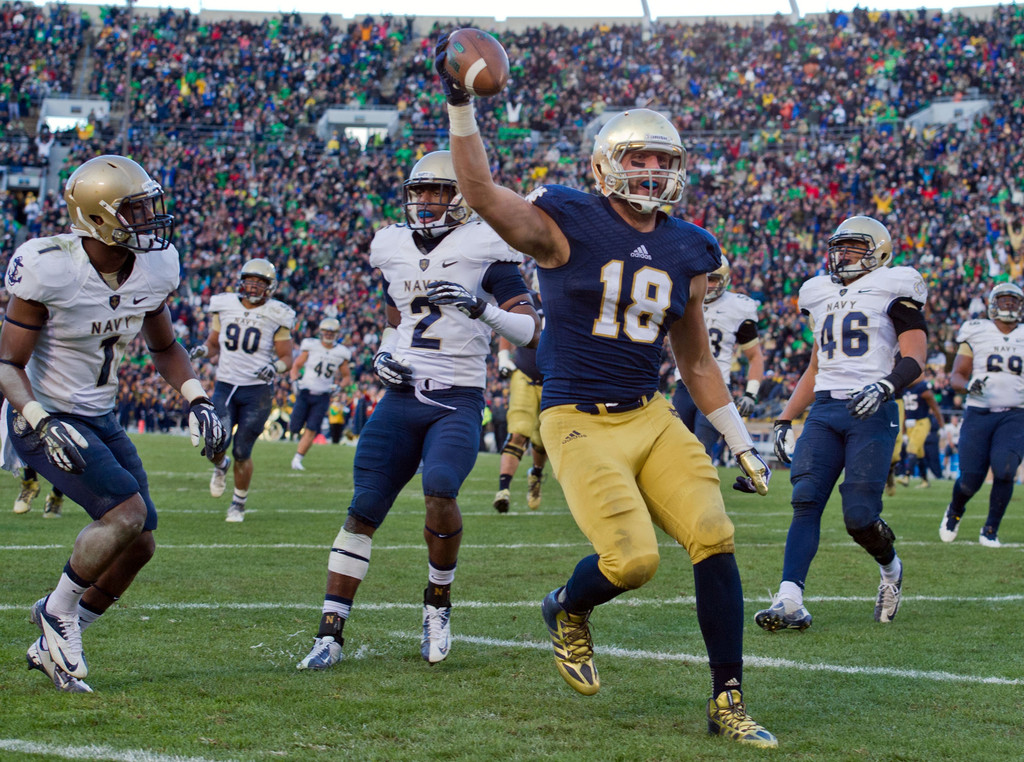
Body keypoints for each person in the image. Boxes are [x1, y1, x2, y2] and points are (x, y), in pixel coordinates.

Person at [435, 48, 776, 748]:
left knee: (714, 534)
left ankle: (728, 698)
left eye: (663, 160)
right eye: (638, 158)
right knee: (633, 562)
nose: (652, 171)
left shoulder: (691, 246)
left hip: (651, 416)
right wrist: (460, 102)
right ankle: (567, 607)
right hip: (577, 419)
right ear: (604, 165)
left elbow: (696, 359)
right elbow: (480, 192)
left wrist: (740, 441)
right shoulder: (567, 218)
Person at [296, 151, 539, 671]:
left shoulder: (486, 244)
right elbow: (396, 319)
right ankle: (329, 633)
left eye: (438, 191)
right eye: (419, 191)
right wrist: (383, 354)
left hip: (456, 398)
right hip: (401, 397)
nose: (426, 201)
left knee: (441, 488)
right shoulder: (391, 245)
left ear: (462, 198)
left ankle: (437, 604)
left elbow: (529, 330)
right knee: (363, 508)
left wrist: (480, 307)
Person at [0, 154, 225, 693]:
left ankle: (57, 635)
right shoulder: (50, 267)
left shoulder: (154, 265)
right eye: (135, 208)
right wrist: (39, 420)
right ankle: (56, 612)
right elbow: (7, 364)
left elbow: (165, 347)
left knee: (140, 543)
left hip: (100, 414)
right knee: (125, 515)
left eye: (148, 205)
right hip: (45, 416)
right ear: (98, 217)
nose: (150, 217)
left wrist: (198, 398)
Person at [761, 215, 928, 632]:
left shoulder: (895, 285)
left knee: (859, 516)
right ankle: (789, 599)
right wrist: (785, 417)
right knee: (805, 499)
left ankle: (891, 569)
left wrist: (886, 386)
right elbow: (816, 367)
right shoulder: (818, 292)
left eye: (855, 247)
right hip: (824, 410)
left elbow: (915, 358)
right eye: (840, 247)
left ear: (879, 251)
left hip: (871, 409)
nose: (844, 255)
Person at [190, 258, 295, 522]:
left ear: (270, 286)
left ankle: (238, 503)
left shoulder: (277, 313)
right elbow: (213, 344)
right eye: (250, 281)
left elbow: (287, 358)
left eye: (260, 282)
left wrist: (274, 367)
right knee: (215, 442)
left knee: (242, 451)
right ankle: (221, 466)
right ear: (241, 282)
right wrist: (203, 350)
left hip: (256, 391)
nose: (254, 287)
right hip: (226, 385)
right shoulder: (224, 306)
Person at [939, 282, 1024, 548]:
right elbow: (957, 375)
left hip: (1015, 414)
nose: (1009, 304)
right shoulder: (977, 330)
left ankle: (990, 529)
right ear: (993, 304)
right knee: (969, 481)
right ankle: (955, 510)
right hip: (979, 412)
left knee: (1005, 469)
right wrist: (967, 387)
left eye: (1014, 301)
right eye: (1004, 300)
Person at [671, 255, 765, 460]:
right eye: (704, 278)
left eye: (713, 279)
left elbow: (755, 356)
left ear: (725, 280)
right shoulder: (681, 298)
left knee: (700, 450)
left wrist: (751, 393)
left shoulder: (738, 306)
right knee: (675, 450)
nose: (708, 284)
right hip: (683, 386)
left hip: (715, 385)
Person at [493, 283, 548, 513]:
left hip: (553, 379)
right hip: (524, 374)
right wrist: (504, 357)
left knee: (543, 440)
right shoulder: (529, 300)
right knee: (518, 431)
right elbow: (509, 326)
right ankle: (503, 490)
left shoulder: (567, 297)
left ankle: (536, 474)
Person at [288, 317, 353, 471]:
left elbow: (347, 377)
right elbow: (296, 365)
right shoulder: (311, 345)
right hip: (305, 391)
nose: (329, 334)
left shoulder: (341, 352)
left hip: (323, 395)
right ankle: (296, 442)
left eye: (332, 332)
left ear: (336, 334)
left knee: (312, 428)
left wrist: (339, 387)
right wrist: (294, 381)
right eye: (326, 331)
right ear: (321, 332)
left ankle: (297, 459)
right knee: (294, 426)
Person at [898, 374, 945, 488]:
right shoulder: (904, 389)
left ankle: (906, 476)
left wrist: (941, 425)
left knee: (912, 448)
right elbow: (904, 411)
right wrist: (903, 431)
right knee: (919, 453)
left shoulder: (921, 387)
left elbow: (934, 407)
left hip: (922, 422)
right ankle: (925, 480)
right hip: (910, 424)